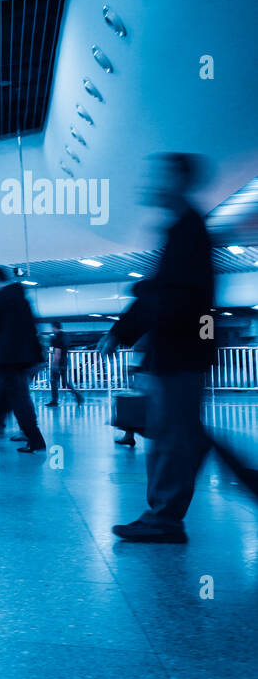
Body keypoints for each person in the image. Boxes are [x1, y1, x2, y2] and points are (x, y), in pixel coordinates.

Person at [99, 153, 216, 543]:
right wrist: (123, 330)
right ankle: (163, 513)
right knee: (174, 434)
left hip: (179, 353)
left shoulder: (190, 231)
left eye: (160, 176)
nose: (150, 183)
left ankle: (164, 518)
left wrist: (133, 312)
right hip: (176, 352)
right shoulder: (180, 230)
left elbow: (175, 296)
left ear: (180, 181)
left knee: (172, 436)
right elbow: (163, 294)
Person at [0, 266, 47, 453]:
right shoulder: (22, 298)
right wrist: (38, 357)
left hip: (6, 357)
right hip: (24, 359)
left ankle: (35, 439)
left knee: (15, 400)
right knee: (10, 397)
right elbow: (32, 328)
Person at [45, 322, 84, 407]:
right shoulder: (65, 336)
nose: (52, 330)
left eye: (52, 328)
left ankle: (54, 401)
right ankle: (78, 396)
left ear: (55, 327)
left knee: (53, 381)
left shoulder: (57, 337)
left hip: (58, 363)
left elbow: (57, 353)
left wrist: (54, 365)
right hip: (64, 361)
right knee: (66, 381)